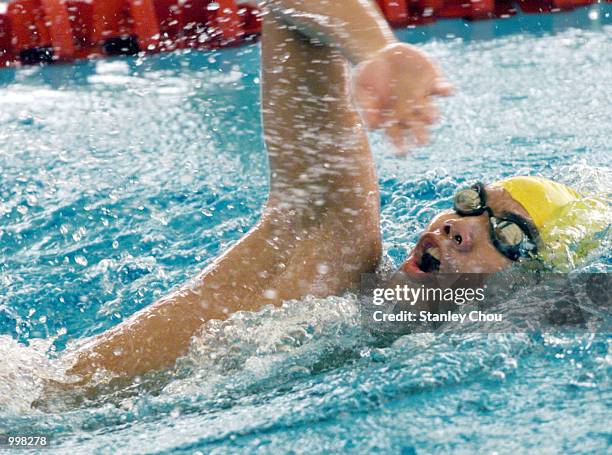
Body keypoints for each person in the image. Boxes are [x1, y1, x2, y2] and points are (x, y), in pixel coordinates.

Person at [60, 0, 591, 388]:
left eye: (507, 234)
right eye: (470, 202)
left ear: (535, 280)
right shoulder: (335, 252)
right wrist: (375, 49)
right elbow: (286, 10)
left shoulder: (426, 332)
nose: (461, 226)